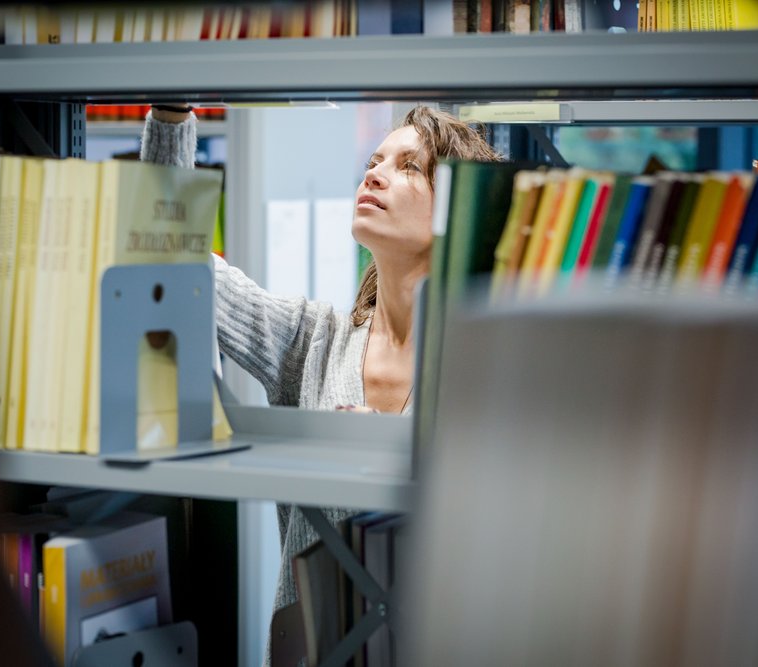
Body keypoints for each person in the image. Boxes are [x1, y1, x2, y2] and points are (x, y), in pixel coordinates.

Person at [141, 103, 501, 664]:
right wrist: (170, 115)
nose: (374, 174)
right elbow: (171, 258)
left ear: (455, 209)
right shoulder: (312, 340)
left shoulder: (487, 361)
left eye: (409, 166)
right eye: (373, 160)